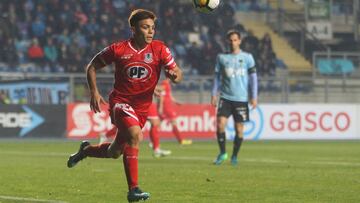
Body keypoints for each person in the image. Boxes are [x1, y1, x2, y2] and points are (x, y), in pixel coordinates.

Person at [67, 9, 183, 202]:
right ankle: (133, 190)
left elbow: (177, 72)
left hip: (142, 108)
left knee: (115, 152)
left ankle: (86, 150)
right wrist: (94, 92)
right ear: (133, 29)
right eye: (145, 27)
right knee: (136, 135)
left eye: (152, 28)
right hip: (120, 102)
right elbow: (92, 66)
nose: (150, 32)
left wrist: (175, 76)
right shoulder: (118, 49)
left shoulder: (160, 49)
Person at [211, 30, 258, 166]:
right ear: (227, 41)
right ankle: (222, 153)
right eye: (230, 40)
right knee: (220, 124)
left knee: (239, 130)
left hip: (241, 99)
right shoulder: (221, 58)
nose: (233, 42)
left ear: (240, 41)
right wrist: (214, 94)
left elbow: (253, 79)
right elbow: (217, 78)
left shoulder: (248, 57)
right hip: (225, 97)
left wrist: (254, 96)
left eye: (235, 40)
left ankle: (234, 156)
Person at [159, 79, 192, 145]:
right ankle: (180, 140)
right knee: (173, 122)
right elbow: (161, 96)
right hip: (166, 106)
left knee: (158, 123)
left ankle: (153, 141)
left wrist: (176, 102)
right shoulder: (165, 83)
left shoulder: (167, 83)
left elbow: (169, 96)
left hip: (167, 105)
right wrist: (161, 107)